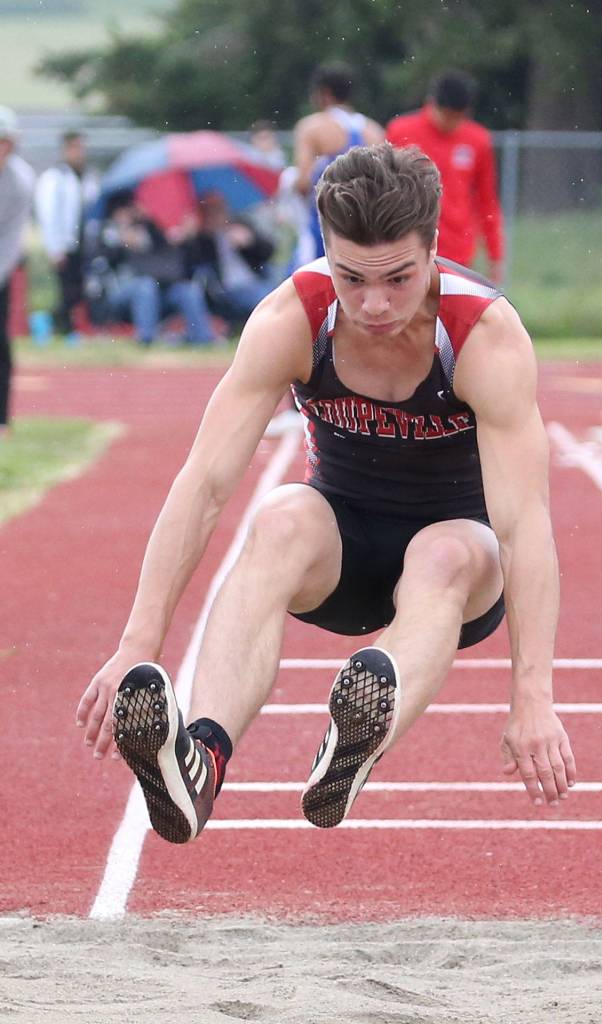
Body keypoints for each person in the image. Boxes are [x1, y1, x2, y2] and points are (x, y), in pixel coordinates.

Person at [77, 143, 576, 845]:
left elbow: (524, 526)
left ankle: (358, 739)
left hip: (457, 559)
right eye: (351, 278)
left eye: (398, 279)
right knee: (279, 515)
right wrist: (138, 639)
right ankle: (202, 760)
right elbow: (206, 482)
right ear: (324, 251)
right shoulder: (293, 318)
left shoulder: (480, 336)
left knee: (443, 555)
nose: (373, 304)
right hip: (339, 549)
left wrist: (532, 698)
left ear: (433, 250)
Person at [386, 70, 505, 284]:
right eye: (447, 115)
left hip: (458, 251)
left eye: (458, 117)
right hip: (407, 244)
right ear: (432, 104)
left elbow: (487, 200)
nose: (452, 123)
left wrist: (495, 256)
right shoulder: (401, 131)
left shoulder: (477, 140)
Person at [86, 191, 216, 346]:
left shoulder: (151, 229)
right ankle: (147, 339)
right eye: (126, 208)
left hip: (159, 289)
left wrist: (186, 239)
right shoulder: (106, 231)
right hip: (120, 293)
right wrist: (120, 243)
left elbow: (172, 260)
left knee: (188, 290)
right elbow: (96, 265)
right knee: (145, 286)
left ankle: (203, 339)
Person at [294, 62, 384, 260]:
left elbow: (303, 183)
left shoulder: (312, 127)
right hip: (365, 227)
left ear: (323, 93)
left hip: (324, 224)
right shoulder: (373, 130)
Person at [34, 131, 99, 338]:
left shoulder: (89, 176)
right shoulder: (55, 177)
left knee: (79, 289)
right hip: (64, 244)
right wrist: (54, 247)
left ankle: (69, 328)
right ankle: (57, 327)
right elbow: (48, 215)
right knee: (65, 289)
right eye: (74, 148)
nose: (79, 153)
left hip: (83, 244)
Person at [186, 191, 278, 323]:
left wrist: (250, 241)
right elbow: (193, 267)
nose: (217, 214)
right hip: (227, 289)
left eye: (220, 208)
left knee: (271, 292)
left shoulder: (240, 224)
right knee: (265, 297)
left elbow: (269, 252)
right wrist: (195, 237)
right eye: (211, 210)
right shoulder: (202, 239)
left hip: (254, 279)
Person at [0, 107, 35, 437]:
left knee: (0, 343)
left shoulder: (20, 182)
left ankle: (2, 418)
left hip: (0, 267)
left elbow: (11, 238)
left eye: (4, 143)